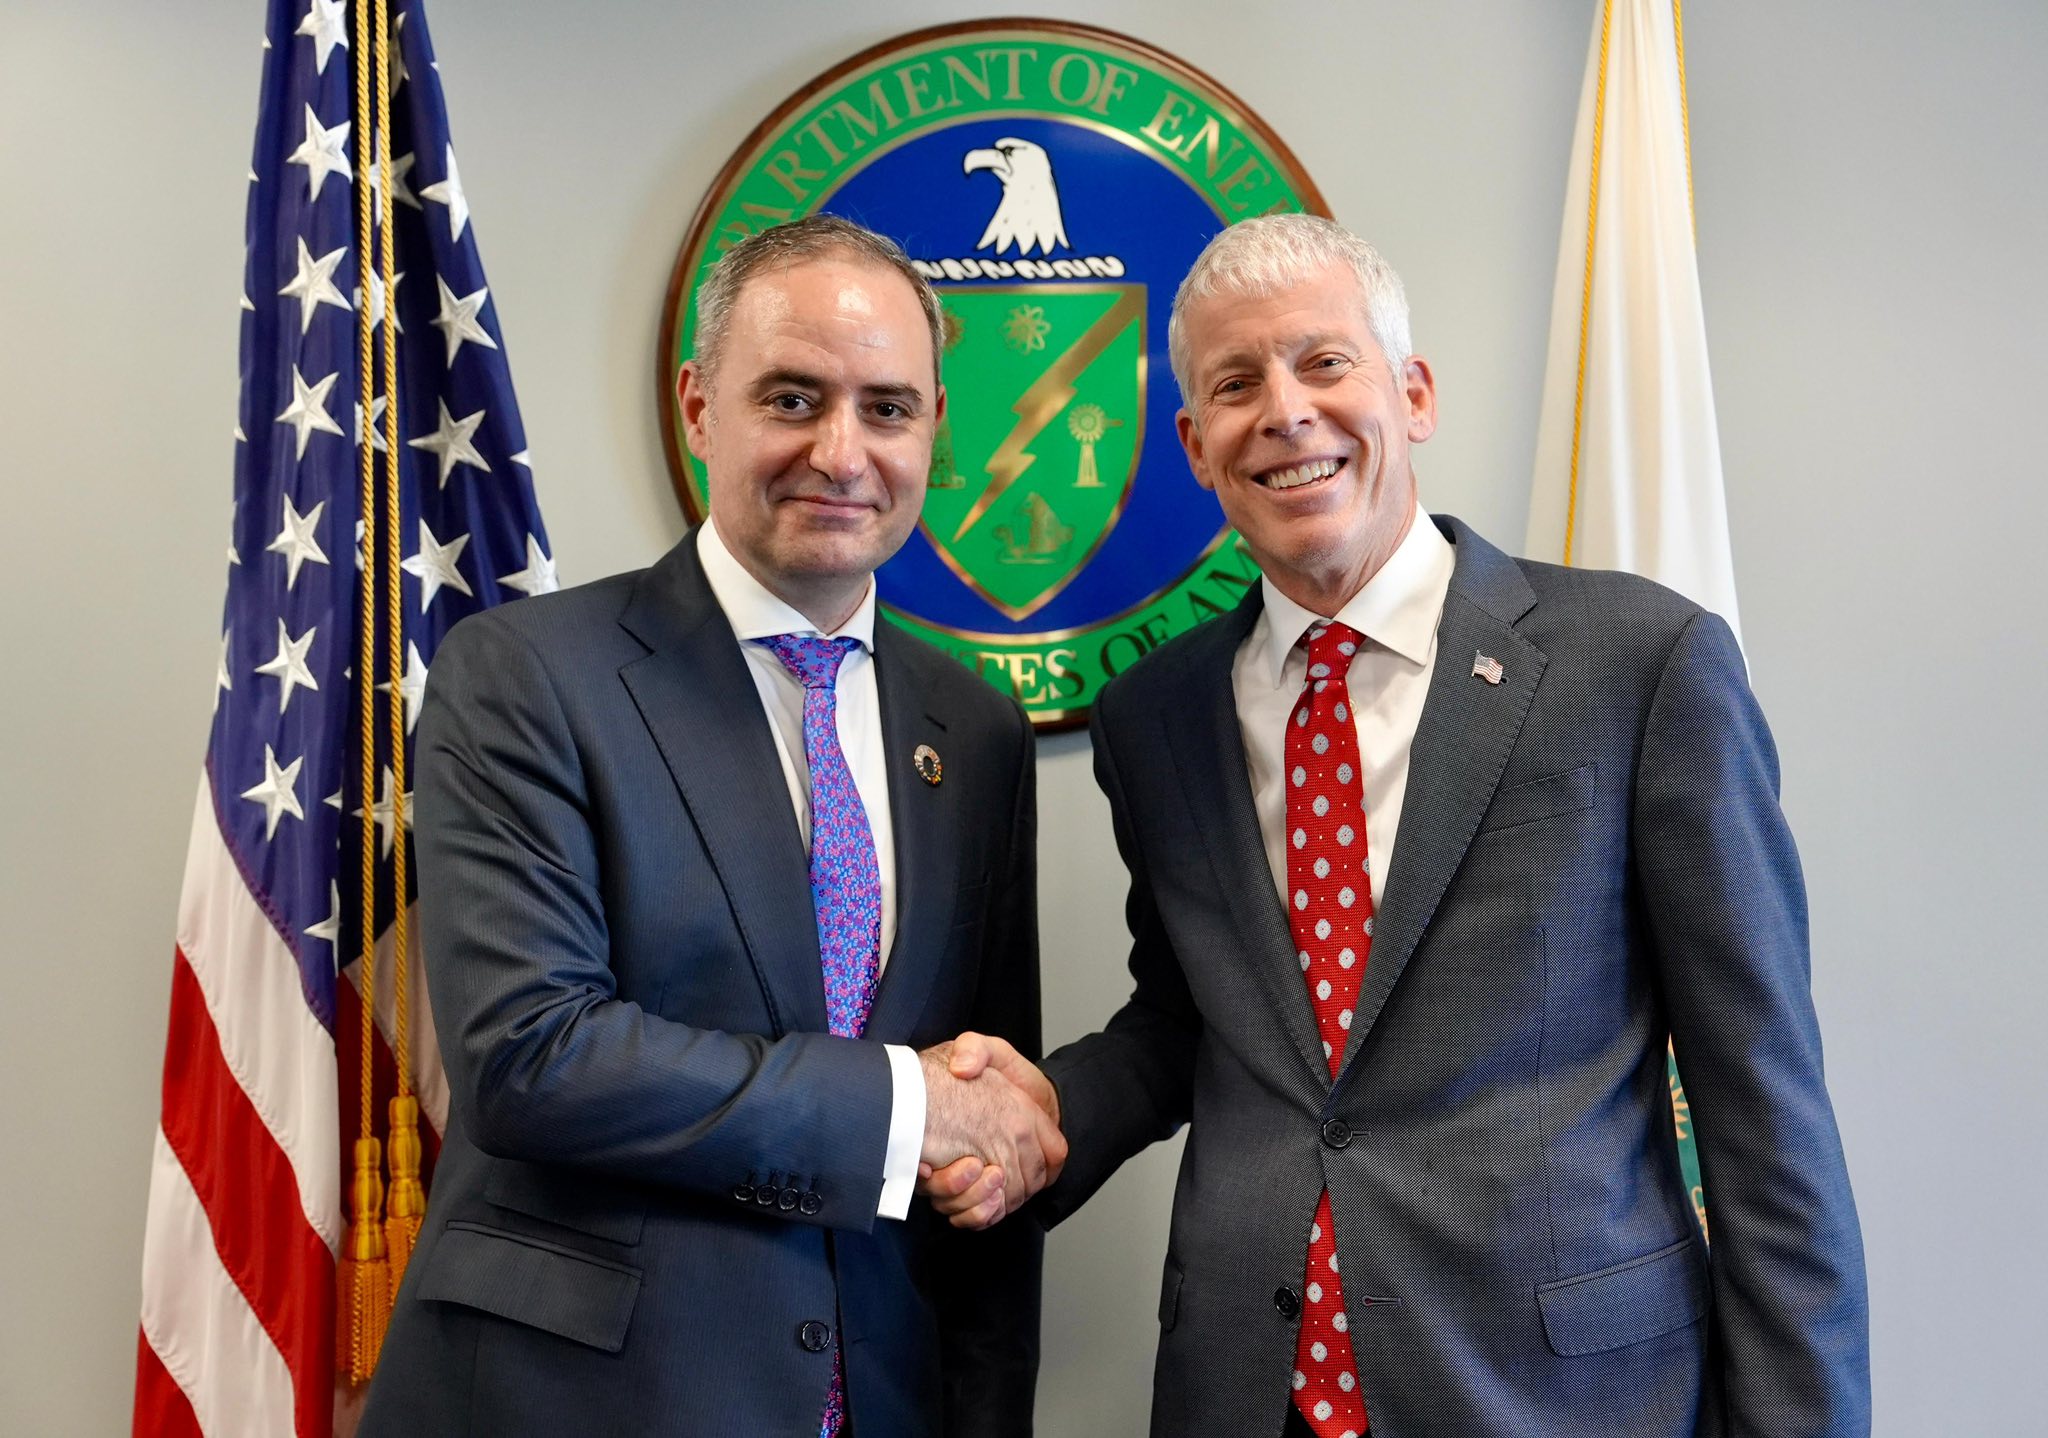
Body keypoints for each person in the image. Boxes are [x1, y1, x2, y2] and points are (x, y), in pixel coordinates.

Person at [929, 213, 1869, 1437]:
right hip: (1245, 1392)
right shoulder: (1152, 716)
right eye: (1233, 385)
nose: (1284, 411)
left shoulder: (1639, 663)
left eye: (1323, 362)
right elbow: (1188, 1019)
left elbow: (1761, 1103)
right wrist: (1042, 1118)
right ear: (1195, 447)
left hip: (1557, 1395)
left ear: (1411, 394)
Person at [362, 214, 1059, 1438]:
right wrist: (902, 1106)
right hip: (584, 1404)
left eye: (888, 409)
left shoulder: (976, 728)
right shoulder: (527, 674)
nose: (840, 451)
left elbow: (982, 1142)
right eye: (792, 398)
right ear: (699, 406)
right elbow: (531, 1057)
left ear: (934, 427)